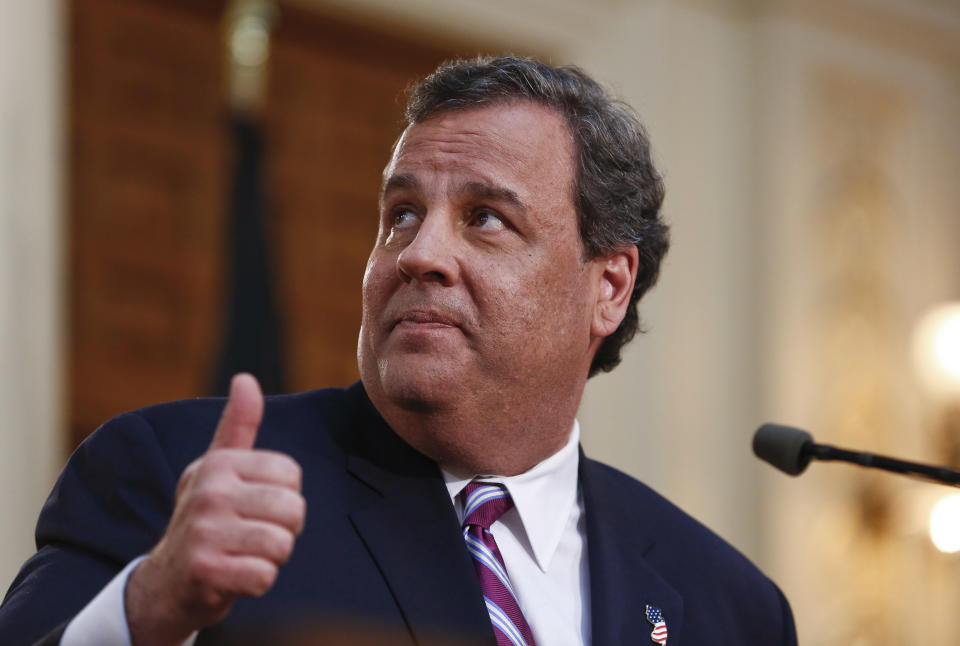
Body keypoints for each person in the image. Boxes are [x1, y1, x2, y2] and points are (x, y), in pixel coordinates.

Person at [0, 56, 797, 646]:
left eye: (486, 218)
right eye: (403, 215)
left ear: (609, 286)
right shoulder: (174, 474)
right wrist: (146, 611)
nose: (419, 254)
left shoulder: (726, 603)